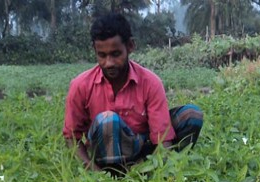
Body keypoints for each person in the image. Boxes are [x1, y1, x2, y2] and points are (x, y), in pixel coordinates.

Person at [63, 13, 203, 172]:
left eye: (116, 54)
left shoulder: (150, 82)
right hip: (101, 154)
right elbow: (71, 138)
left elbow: (163, 139)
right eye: (102, 55)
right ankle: (113, 175)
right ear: (95, 50)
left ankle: (159, 170)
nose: (108, 63)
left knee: (191, 115)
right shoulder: (81, 85)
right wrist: (93, 172)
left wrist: (151, 168)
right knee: (108, 121)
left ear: (130, 46)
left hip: (140, 148)